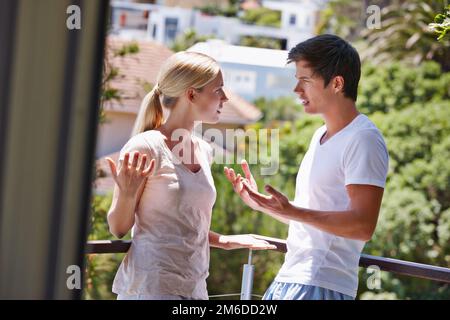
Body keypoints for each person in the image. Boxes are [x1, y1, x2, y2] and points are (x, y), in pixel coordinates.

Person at [225, 34, 389, 300]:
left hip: (322, 284)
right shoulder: (320, 135)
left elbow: (362, 225)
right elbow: (311, 219)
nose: (296, 90)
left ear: (337, 83)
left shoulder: (364, 138)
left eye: (305, 81)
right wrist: (264, 205)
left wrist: (293, 210)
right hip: (290, 279)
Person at [106, 51, 276, 300]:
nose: (225, 97)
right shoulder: (146, 147)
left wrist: (225, 240)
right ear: (192, 94)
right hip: (152, 288)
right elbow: (118, 228)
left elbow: (182, 227)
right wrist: (127, 195)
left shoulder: (204, 150)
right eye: (218, 89)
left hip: (195, 288)